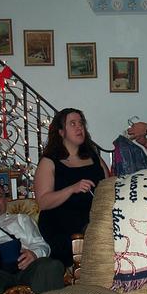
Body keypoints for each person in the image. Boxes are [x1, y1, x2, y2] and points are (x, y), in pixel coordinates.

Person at [34, 108, 109, 267]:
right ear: (61, 132)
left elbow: (109, 189)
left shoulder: (94, 158)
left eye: (81, 123)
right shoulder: (49, 161)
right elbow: (43, 202)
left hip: (93, 221)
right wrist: (71, 189)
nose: (79, 127)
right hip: (61, 225)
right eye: (73, 124)